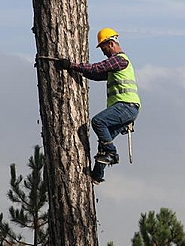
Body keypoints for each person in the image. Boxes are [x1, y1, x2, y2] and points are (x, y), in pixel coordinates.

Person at [56, 27, 141, 184]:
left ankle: (113, 154)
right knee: (104, 144)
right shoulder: (116, 65)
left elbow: (97, 68)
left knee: (98, 122)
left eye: (103, 48)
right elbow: (96, 74)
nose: (103, 52)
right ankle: (96, 176)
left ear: (110, 44)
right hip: (127, 108)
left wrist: (72, 65)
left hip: (126, 106)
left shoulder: (119, 60)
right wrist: (78, 70)